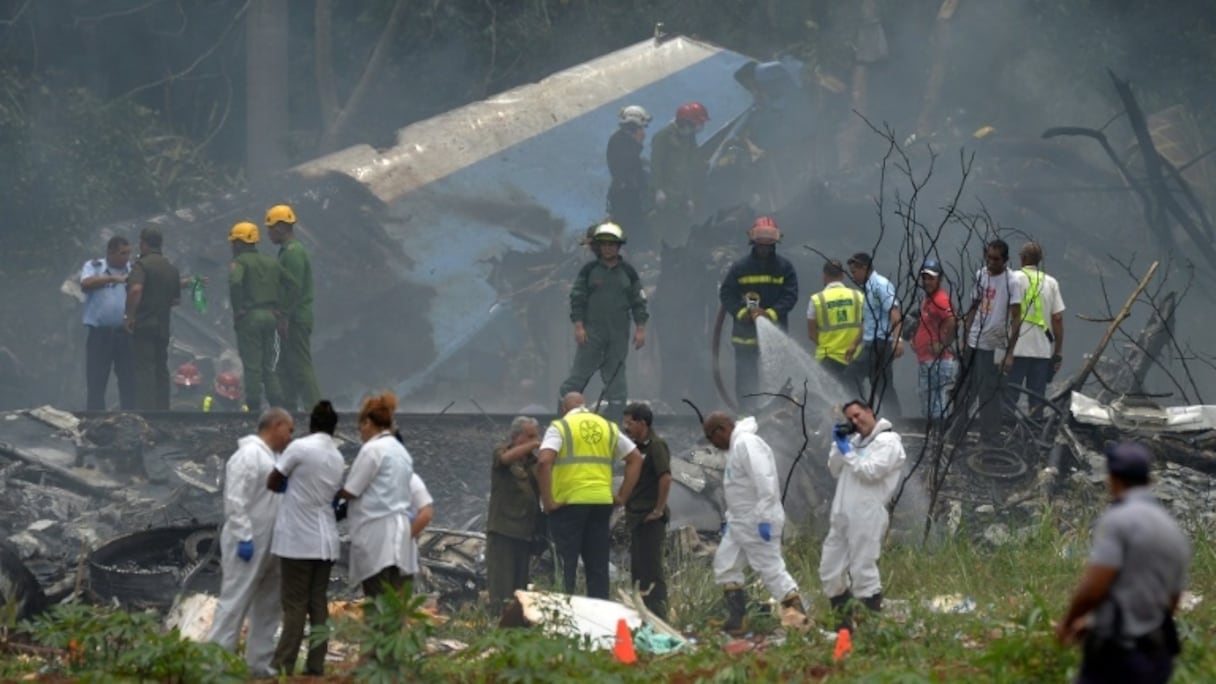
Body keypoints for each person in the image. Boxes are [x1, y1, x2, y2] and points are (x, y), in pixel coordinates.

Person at [1056, 442, 1190, 683]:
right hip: (1157, 653)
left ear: (1114, 479)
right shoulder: (1172, 530)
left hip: (1117, 653)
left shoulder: (1118, 521)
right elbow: (1171, 600)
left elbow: (1095, 586)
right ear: (1148, 480)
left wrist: (1069, 622)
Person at [703, 411, 808, 634]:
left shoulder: (746, 444)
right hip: (740, 523)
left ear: (721, 429)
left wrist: (764, 518)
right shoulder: (735, 448)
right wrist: (731, 520)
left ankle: (799, 618)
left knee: (770, 568)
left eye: (711, 437)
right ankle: (737, 620)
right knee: (726, 564)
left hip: (757, 520)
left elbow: (765, 480)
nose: (711, 442)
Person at [209, 407, 293, 678]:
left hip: (273, 542)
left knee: (269, 606)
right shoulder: (248, 455)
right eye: (289, 430)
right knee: (234, 602)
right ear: (276, 425)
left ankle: (259, 665)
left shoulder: (274, 458)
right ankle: (215, 664)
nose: (290, 436)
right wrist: (244, 536)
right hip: (249, 541)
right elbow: (235, 500)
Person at [536, 392, 642, 600]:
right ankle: (599, 616)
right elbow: (636, 458)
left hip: (568, 504)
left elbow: (543, 462)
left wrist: (548, 501)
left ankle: (563, 617)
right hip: (601, 503)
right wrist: (622, 497)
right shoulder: (607, 426)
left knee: (564, 566)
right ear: (584, 406)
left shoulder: (561, 427)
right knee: (597, 565)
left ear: (564, 409)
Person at [267, 400, 344, 677]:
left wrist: (290, 485)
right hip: (326, 541)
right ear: (334, 429)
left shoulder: (299, 447)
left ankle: (282, 665)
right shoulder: (337, 457)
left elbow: (273, 480)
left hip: (298, 539)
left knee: (295, 604)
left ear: (311, 423)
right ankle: (315, 665)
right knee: (318, 603)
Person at [820, 399, 906, 630]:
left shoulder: (888, 441)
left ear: (870, 412)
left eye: (858, 415)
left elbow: (871, 472)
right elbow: (834, 469)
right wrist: (838, 444)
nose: (855, 421)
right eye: (850, 419)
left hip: (867, 514)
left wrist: (848, 452)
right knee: (830, 571)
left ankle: (870, 629)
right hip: (842, 514)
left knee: (862, 571)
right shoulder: (856, 441)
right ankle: (844, 627)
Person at [557, 222, 648, 418]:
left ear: (618, 246)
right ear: (599, 247)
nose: (608, 248)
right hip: (592, 333)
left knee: (616, 377)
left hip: (618, 334)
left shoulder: (628, 272)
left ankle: (616, 424)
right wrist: (579, 326)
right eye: (604, 244)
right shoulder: (589, 271)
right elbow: (577, 298)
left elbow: (638, 301)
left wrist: (640, 328)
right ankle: (563, 417)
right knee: (579, 375)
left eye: (612, 244)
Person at [336, 392, 414, 598]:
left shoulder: (372, 450)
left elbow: (351, 491)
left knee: (377, 598)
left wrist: (329, 503)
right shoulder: (401, 451)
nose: (360, 433)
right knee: (395, 601)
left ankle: (378, 631)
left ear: (369, 422)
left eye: (361, 426)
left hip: (376, 535)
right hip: (401, 535)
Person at [718, 217, 798, 410]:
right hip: (745, 336)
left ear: (774, 245)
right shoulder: (739, 268)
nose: (764, 249)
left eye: (767, 245)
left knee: (779, 377)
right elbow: (726, 294)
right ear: (753, 243)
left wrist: (770, 313)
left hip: (775, 335)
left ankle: (779, 413)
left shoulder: (784, 268)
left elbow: (790, 296)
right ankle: (747, 414)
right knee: (746, 376)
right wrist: (741, 312)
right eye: (760, 245)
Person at [954, 239, 1025, 444]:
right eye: (988, 257)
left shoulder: (1011, 281)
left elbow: (1016, 317)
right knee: (964, 389)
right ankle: (956, 434)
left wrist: (1010, 352)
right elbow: (974, 305)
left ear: (1005, 260)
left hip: (994, 345)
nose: (991, 262)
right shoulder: (981, 275)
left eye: (996, 259)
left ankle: (990, 438)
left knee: (990, 393)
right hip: (974, 341)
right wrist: (965, 337)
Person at [266, 205, 321, 411]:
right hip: (292, 316)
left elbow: (293, 288)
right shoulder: (287, 252)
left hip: (296, 318)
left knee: (301, 364)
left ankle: (314, 409)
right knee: (285, 365)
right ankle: (288, 406)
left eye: (270, 228)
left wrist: (284, 316)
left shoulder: (292, 253)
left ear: (280, 227)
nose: (268, 233)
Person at [485, 416, 542, 612]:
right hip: (504, 530)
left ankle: (515, 626)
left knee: (520, 588)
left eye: (537, 436)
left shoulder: (535, 462)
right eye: (530, 436)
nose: (536, 440)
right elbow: (505, 459)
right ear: (517, 437)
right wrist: (534, 444)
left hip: (525, 532)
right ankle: (497, 622)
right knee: (502, 586)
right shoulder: (503, 452)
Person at [621, 402, 671, 619]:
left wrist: (658, 510)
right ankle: (643, 615)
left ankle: (660, 615)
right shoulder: (635, 449)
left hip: (650, 518)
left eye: (630, 422)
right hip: (636, 518)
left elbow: (666, 478)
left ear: (643, 423)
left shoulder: (656, 446)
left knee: (652, 569)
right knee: (639, 571)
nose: (626, 427)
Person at [227, 221, 284, 411]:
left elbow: (235, 284)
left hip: (250, 317)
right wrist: (277, 308)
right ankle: (278, 405)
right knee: (269, 365)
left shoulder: (240, 262)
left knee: (252, 365)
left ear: (239, 243)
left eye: (233, 243)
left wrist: (238, 310)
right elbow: (284, 284)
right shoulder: (270, 261)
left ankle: (252, 407)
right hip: (271, 316)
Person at [124, 226, 181, 410]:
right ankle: (163, 410)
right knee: (161, 368)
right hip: (163, 326)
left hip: (144, 324)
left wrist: (130, 316)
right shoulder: (171, 268)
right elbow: (176, 300)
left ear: (143, 243)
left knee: (144, 369)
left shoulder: (142, 265)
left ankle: (147, 412)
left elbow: (135, 289)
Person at [1008, 242, 1065, 417]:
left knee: (1009, 398)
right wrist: (1058, 352)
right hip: (1041, 351)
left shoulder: (1012, 278)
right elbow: (1057, 319)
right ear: (1039, 260)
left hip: (1015, 350)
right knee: (1036, 402)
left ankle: (1003, 435)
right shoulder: (1051, 282)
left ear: (1022, 258)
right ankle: (1034, 436)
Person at [846, 253, 904, 418]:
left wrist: (897, 339)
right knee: (878, 385)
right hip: (871, 344)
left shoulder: (880, 285)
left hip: (881, 344)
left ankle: (874, 415)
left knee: (856, 376)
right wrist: (854, 345)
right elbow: (868, 321)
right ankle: (880, 416)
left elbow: (894, 312)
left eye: (855, 272)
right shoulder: (868, 288)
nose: (853, 277)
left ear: (864, 268)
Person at [81, 236, 134, 411]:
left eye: (128, 253)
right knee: (96, 382)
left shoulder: (132, 270)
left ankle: (129, 418)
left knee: (128, 381)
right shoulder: (94, 266)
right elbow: (86, 283)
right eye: (122, 253)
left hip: (124, 333)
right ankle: (95, 420)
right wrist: (112, 279)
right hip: (99, 334)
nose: (126, 257)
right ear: (110, 252)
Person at [651, 102, 709, 250]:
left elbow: (689, 169)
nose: (698, 128)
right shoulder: (663, 136)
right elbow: (656, 165)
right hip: (667, 194)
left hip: (681, 194)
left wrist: (689, 197)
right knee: (664, 229)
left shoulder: (688, 138)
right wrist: (658, 189)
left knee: (681, 231)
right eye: (697, 123)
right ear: (686, 122)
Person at [807, 259, 864, 391]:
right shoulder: (858, 296)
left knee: (831, 401)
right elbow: (866, 325)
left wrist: (827, 344)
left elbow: (811, 334)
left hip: (828, 358)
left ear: (824, 276)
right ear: (843, 276)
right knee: (856, 399)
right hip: (854, 358)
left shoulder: (816, 300)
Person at [912, 258, 958, 423]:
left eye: (931, 278)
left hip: (937, 362)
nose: (927, 281)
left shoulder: (940, 299)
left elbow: (952, 320)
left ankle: (937, 438)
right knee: (929, 404)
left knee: (936, 404)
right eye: (924, 277)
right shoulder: (928, 299)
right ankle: (934, 437)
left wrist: (943, 344)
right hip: (927, 360)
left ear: (939, 279)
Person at [606, 105, 653, 252]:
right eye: (641, 129)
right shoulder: (620, 143)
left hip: (628, 194)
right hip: (624, 196)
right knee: (632, 230)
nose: (643, 134)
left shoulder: (623, 142)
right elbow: (627, 169)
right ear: (632, 127)